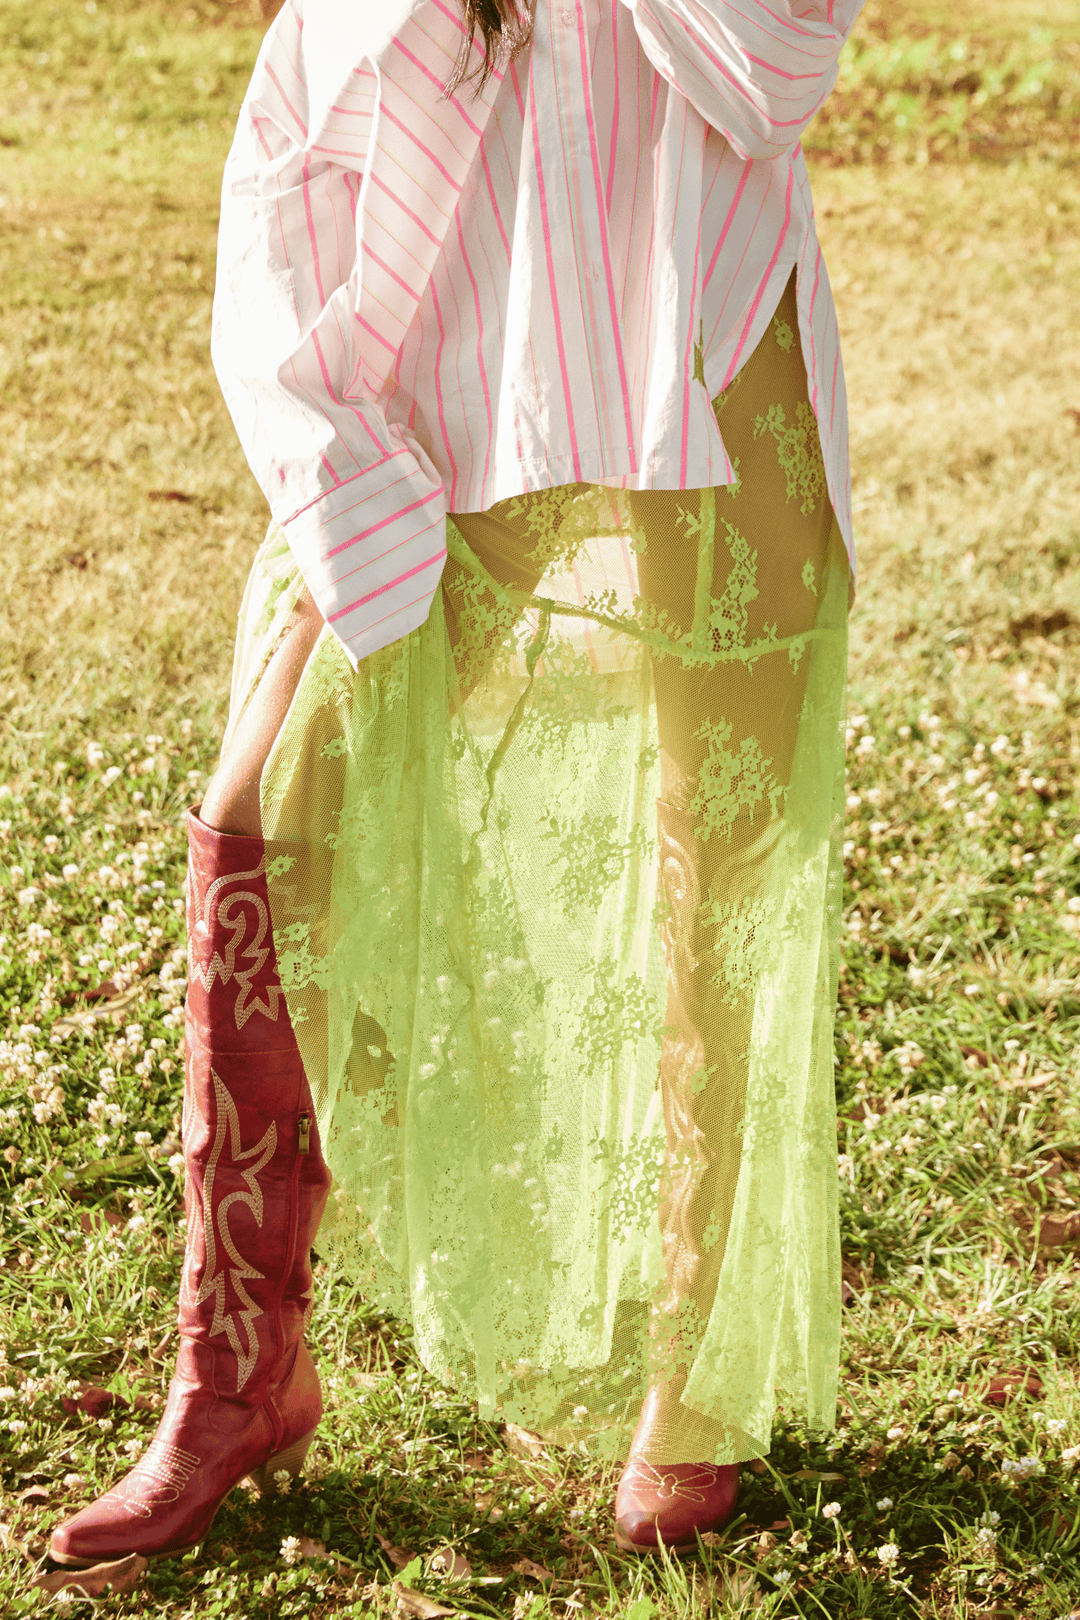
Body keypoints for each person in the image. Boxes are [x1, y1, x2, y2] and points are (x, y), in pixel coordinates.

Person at [51, 0, 865, 1566]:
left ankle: (688, 1375)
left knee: (722, 838)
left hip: (703, 288)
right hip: (456, 305)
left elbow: (775, 61)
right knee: (276, 807)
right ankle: (238, 1368)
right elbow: (311, 83)